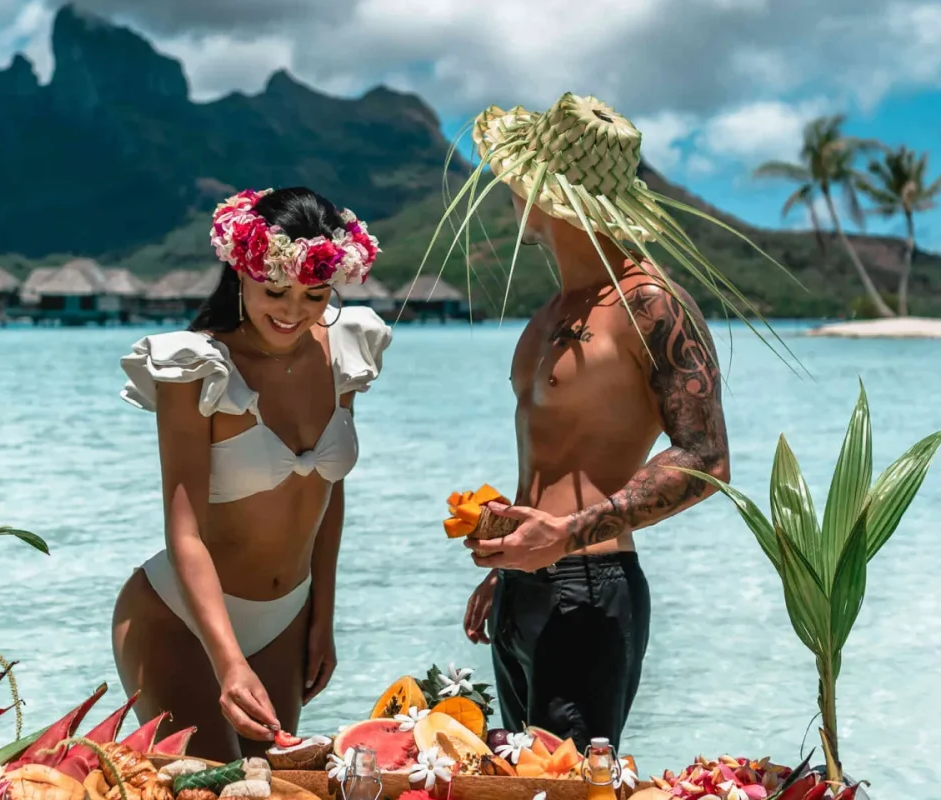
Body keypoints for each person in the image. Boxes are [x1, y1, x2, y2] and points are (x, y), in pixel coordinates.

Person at [429, 94, 797, 749]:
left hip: (590, 591)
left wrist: (565, 535)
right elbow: (554, 457)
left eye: (521, 176)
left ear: (549, 193)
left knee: (568, 792)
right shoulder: (552, 311)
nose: (509, 189)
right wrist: (509, 564)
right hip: (524, 588)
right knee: (517, 788)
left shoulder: (649, 305)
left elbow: (706, 458)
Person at [113, 187, 391, 760]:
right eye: (274, 292)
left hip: (288, 619)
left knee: (280, 790)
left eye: (315, 294)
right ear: (241, 273)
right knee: (217, 793)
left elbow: (327, 496)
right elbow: (183, 532)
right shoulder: (196, 366)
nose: (293, 311)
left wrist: (322, 617)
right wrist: (229, 661)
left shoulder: (344, 350)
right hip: (179, 621)